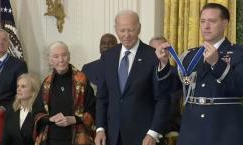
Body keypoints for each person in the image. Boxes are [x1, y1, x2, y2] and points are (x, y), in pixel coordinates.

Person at [156, 3, 243, 145]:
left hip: (224, 130)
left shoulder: (238, 53)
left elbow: (239, 87)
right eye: (203, 21)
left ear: (224, 23)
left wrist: (217, 63)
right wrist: (164, 64)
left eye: (212, 21)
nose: (206, 26)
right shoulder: (190, 55)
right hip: (192, 130)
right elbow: (170, 90)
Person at [95, 10, 169, 145]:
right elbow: (102, 97)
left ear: (139, 28)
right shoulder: (108, 57)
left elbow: (162, 99)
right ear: (116, 29)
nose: (126, 35)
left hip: (144, 136)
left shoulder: (153, 56)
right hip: (112, 135)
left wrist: (153, 133)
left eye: (131, 30)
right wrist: (100, 128)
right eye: (122, 30)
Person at [33, 41, 95, 145]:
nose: (61, 60)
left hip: (78, 138)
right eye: (56, 57)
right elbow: (37, 112)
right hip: (50, 139)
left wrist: (74, 119)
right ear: (50, 60)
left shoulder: (82, 80)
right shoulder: (46, 83)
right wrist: (50, 119)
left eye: (64, 55)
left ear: (69, 56)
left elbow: (93, 109)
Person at [0, 28, 28, 145]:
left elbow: (22, 92)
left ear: (8, 43)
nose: (0, 42)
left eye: (4, 40)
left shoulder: (19, 65)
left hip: (9, 112)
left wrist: (5, 108)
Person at [149, 36, 181, 145]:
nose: (159, 53)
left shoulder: (176, 74)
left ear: (169, 53)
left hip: (167, 120)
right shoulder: (143, 72)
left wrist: (155, 125)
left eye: (163, 50)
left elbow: (171, 104)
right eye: (155, 50)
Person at [0, 73, 40, 145]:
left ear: (33, 92)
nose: (18, 89)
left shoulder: (39, 113)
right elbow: (5, 140)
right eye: (18, 86)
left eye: (23, 86)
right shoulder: (11, 111)